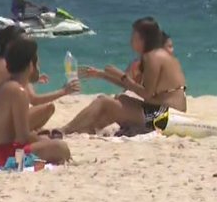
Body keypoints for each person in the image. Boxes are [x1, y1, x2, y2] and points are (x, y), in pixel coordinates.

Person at [59, 17, 188, 135]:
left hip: (167, 117)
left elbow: (146, 94)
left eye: (134, 36)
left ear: (143, 39)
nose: (131, 40)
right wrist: (102, 75)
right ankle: (90, 127)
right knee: (121, 99)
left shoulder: (152, 57)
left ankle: (65, 130)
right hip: (165, 112)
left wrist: (122, 76)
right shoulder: (156, 55)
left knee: (103, 101)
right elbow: (135, 87)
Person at [0, 38, 71, 167]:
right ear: (30, 65)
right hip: (1, 157)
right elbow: (22, 138)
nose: (38, 68)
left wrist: (41, 140)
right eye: (37, 63)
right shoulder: (18, 91)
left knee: (48, 143)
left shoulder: (8, 86)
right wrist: (42, 141)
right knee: (60, 147)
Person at [0, 25, 79, 126]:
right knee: (47, 109)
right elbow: (34, 100)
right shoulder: (6, 65)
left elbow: (4, 82)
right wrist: (64, 91)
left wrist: (30, 78)